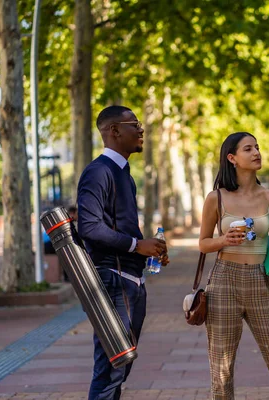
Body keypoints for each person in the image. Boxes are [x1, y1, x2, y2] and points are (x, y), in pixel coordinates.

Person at [199, 132, 269, 400]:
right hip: (224, 282)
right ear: (232, 158)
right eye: (248, 149)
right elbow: (202, 244)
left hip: (262, 281)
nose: (256, 152)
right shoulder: (216, 198)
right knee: (221, 369)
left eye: (257, 147)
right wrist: (223, 239)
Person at [77, 105, 169, 400]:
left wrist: (148, 250)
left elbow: (119, 227)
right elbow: (89, 227)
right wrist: (135, 245)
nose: (141, 129)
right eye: (135, 124)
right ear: (114, 130)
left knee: (119, 369)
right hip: (114, 282)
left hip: (129, 281)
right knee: (111, 370)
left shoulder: (123, 174)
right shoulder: (98, 172)